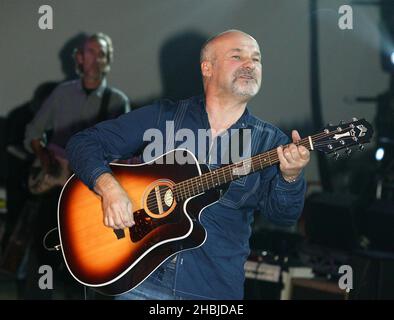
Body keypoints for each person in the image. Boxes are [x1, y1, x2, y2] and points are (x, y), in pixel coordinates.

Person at [65, 29, 310, 300]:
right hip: (137, 281)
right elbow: (83, 144)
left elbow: (283, 216)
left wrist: (291, 176)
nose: (250, 64)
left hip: (211, 290)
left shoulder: (270, 143)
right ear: (207, 67)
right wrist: (108, 187)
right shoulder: (164, 117)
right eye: (237, 56)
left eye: (256, 59)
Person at [21, 32, 130, 299]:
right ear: (79, 58)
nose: (96, 58)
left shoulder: (117, 102)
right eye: (90, 51)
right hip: (55, 186)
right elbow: (33, 133)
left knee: (90, 252)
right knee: (43, 246)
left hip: (89, 190)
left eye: (101, 53)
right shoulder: (62, 93)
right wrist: (45, 157)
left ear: (108, 61)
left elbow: (124, 152)